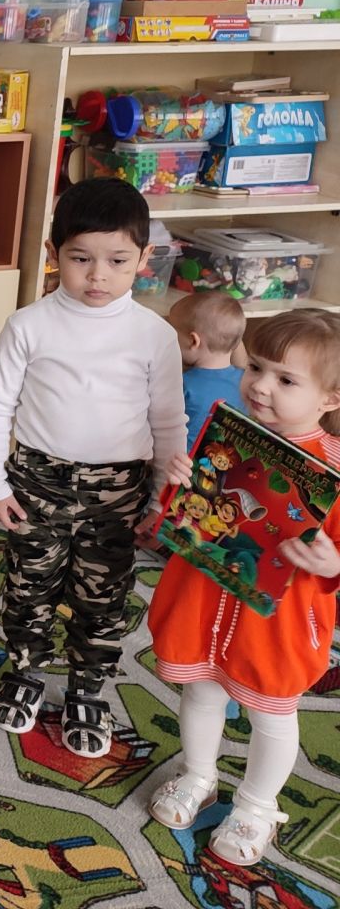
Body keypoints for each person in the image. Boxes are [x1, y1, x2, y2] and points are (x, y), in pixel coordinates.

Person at [0, 178, 187, 757]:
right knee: (29, 586)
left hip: (119, 490)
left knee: (104, 596)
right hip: (37, 481)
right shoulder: (28, 324)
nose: (98, 276)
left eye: (117, 260)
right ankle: (24, 671)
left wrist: (165, 499)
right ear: (53, 253)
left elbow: (169, 422)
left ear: (144, 257)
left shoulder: (155, 335)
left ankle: (88, 689)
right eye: (80, 258)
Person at [148, 309, 340, 866]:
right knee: (201, 692)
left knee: (272, 716)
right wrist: (178, 486)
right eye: (255, 367)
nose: (260, 385)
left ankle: (257, 805)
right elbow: (191, 518)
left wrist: (332, 563)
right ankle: (198, 775)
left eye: (286, 379)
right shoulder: (226, 433)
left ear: (329, 398)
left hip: (277, 624)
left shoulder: (334, 469)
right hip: (203, 600)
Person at [168, 291, 247, 444]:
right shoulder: (246, 381)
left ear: (193, 341)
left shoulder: (182, 384)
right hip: (228, 455)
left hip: (183, 458)